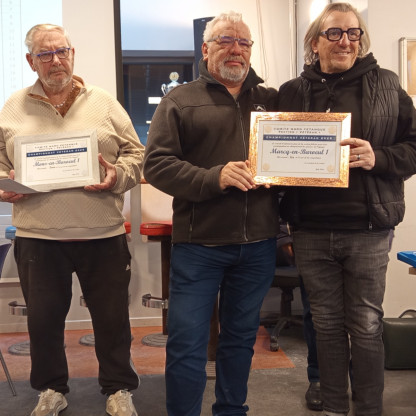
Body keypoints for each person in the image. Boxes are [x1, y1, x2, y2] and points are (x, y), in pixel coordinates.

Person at [277, 3, 416, 416]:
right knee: (326, 326)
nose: (345, 41)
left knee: (367, 325)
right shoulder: (292, 92)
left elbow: (413, 147)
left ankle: (369, 409)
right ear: (315, 42)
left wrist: (379, 157)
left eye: (353, 33)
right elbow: (275, 157)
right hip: (310, 229)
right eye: (334, 33)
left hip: (368, 229)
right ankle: (336, 407)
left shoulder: (388, 85)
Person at [0, 24, 144, 416]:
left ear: (73, 53)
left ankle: (118, 389)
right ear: (31, 61)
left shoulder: (104, 102)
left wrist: (117, 176)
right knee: (44, 322)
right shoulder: (12, 106)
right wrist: (4, 185)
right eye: (45, 54)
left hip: (102, 233)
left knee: (112, 320)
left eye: (61, 51)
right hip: (38, 237)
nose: (55, 60)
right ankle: (51, 390)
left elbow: (136, 154)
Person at [143, 11, 280, 416]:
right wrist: (214, 177)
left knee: (240, 340)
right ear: (205, 49)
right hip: (199, 245)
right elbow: (157, 165)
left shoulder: (271, 101)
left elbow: (296, 153)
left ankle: (231, 410)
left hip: (258, 244)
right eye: (225, 40)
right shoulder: (179, 100)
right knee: (187, 343)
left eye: (243, 42)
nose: (236, 49)